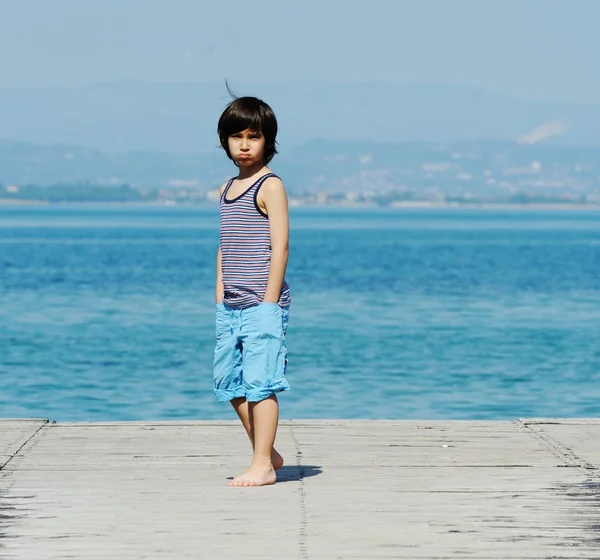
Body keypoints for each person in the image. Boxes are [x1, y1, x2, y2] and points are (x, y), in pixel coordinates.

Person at [213, 93, 291, 487]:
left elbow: (280, 247)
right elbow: (225, 245)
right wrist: (219, 295)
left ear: (268, 142)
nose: (244, 145)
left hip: (263, 302)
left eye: (253, 136)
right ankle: (268, 451)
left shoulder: (270, 186)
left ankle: (262, 464)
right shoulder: (228, 187)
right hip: (231, 305)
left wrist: (270, 303)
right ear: (224, 140)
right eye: (236, 136)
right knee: (229, 382)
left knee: (261, 383)